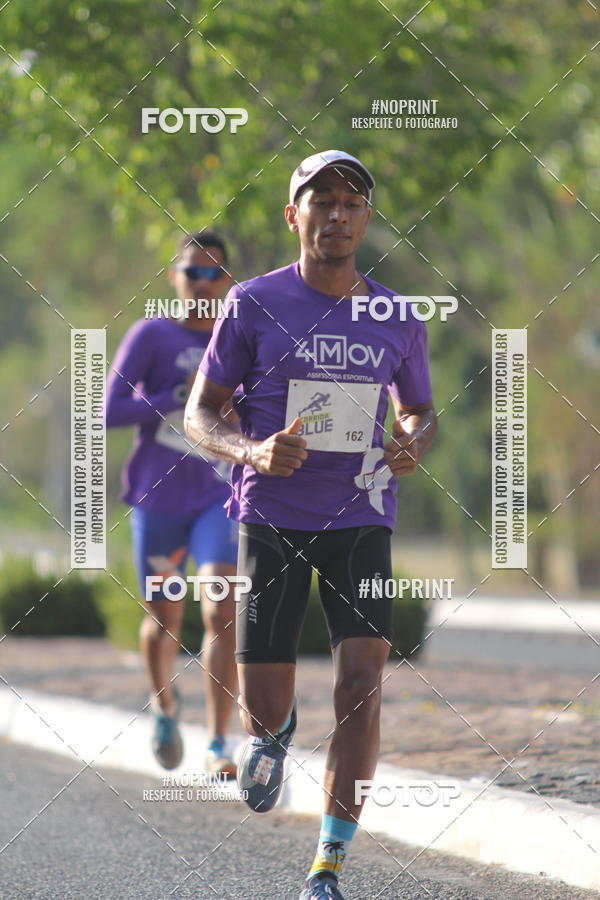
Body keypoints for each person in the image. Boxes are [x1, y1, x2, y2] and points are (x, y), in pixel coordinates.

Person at [184, 151, 437, 900]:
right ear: (294, 216)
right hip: (272, 516)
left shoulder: (395, 313)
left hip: (360, 515)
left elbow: (420, 410)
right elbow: (199, 414)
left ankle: (328, 863)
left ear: (366, 219)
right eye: (320, 201)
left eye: (352, 202)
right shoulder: (255, 305)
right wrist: (251, 449)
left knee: (362, 682)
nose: (337, 214)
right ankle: (272, 732)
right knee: (265, 696)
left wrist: (412, 441)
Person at [106, 231, 239, 776]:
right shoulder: (152, 335)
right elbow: (108, 409)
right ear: (174, 278)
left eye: (214, 274)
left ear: (227, 282)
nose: (204, 284)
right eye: (194, 273)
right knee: (163, 617)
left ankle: (217, 743)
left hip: (219, 494)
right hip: (159, 499)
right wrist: (171, 400)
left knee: (220, 610)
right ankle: (164, 706)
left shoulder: (240, 336)